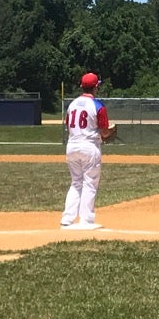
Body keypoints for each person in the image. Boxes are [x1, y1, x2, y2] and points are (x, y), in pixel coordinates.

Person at [60, 72, 111, 229]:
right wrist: (110, 133)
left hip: (72, 145)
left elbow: (69, 125)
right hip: (89, 146)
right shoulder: (98, 105)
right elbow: (104, 132)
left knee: (76, 182)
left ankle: (67, 218)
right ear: (96, 87)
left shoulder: (73, 104)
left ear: (82, 86)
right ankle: (86, 219)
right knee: (90, 183)